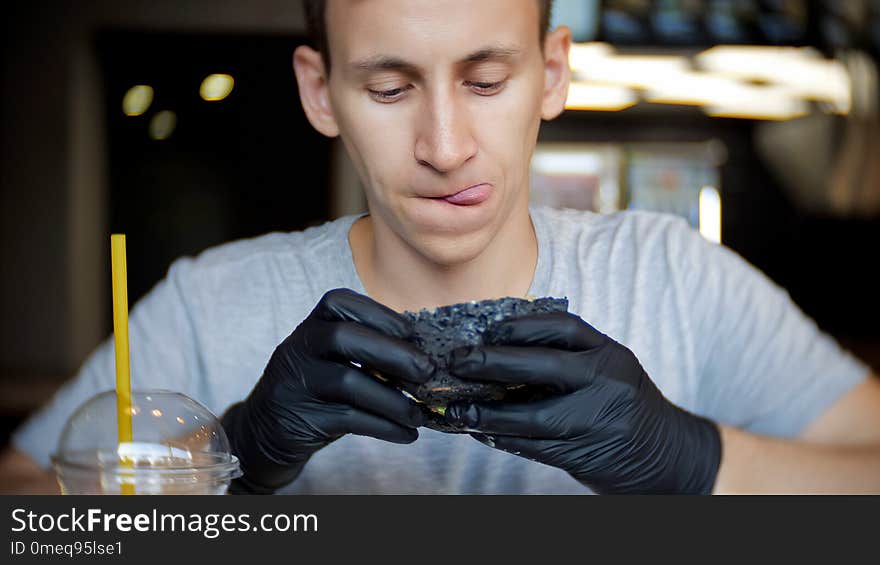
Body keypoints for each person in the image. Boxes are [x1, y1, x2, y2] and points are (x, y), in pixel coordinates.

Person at [2, 0, 879, 494]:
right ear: (321, 93)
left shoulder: (673, 278)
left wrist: (694, 456)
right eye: (389, 88)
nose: (446, 143)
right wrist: (229, 454)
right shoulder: (209, 302)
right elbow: (22, 508)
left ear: (554, 74)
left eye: (487, 80)